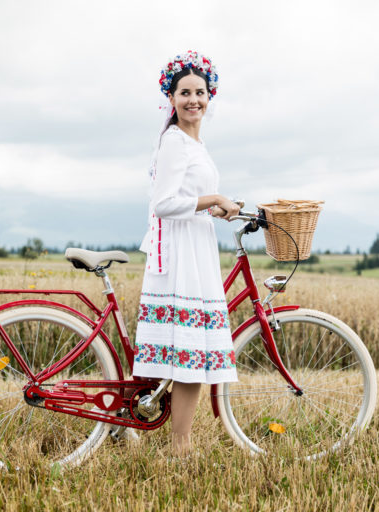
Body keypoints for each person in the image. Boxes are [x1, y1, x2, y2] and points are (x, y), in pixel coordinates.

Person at [133, 51, 240, 456]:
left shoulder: (195, 143)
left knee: (192, 351)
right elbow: (164, 204)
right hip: (181, 256)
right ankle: (181, 446)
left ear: (210, 97)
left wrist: (216, 208)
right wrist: (212, 199)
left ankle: (179, 440)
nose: (193, 99)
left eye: (200, 92)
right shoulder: (175, 142)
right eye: (185, 93)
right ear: (171, 98)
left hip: (195, 245)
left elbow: (186, 199)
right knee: (190, 352)